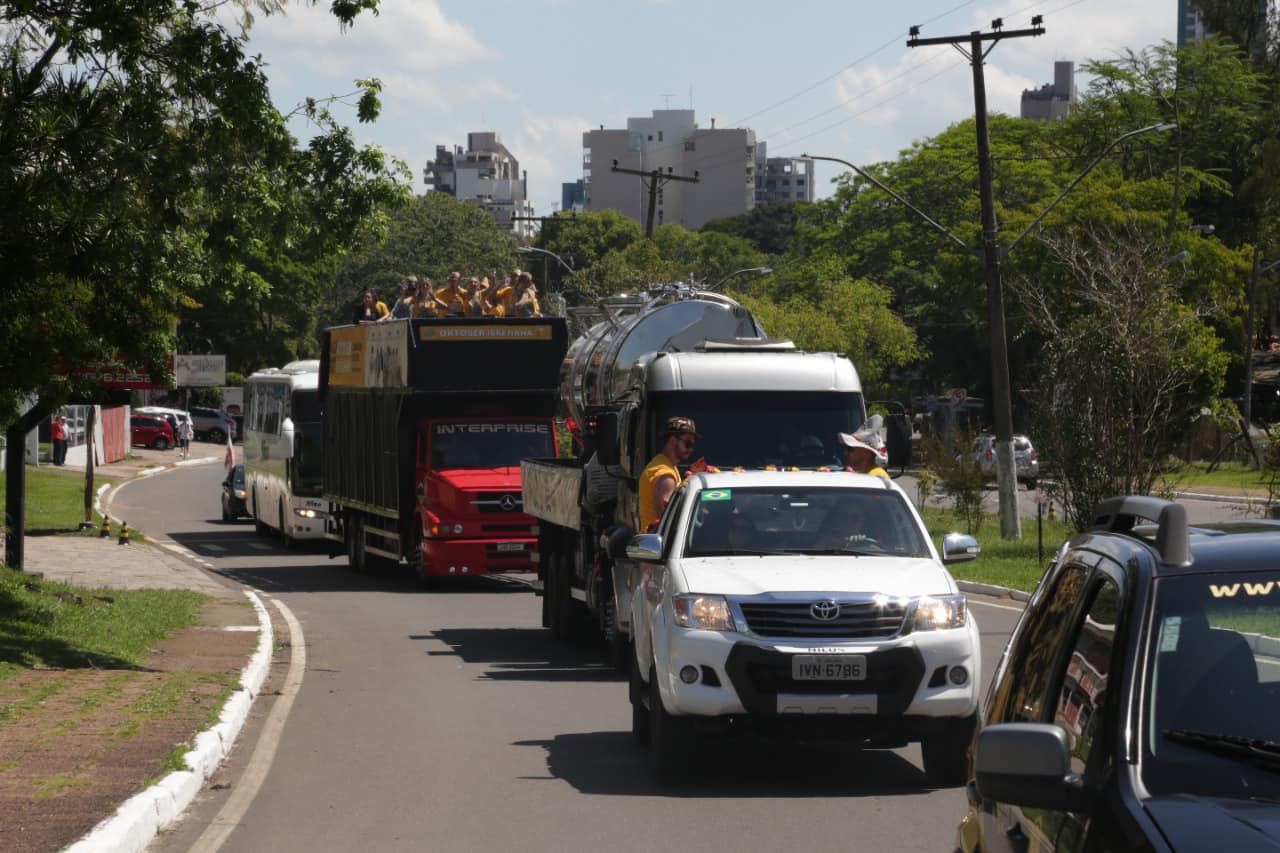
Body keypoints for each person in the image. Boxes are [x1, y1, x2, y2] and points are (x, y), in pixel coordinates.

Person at [638, 416, 699, 533]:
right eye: (688, 443)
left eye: (693, 444)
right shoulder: (666, 476)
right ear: (672, 441)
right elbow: (669, 521)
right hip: (661, 547)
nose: (691, 449)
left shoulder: (661, 463)